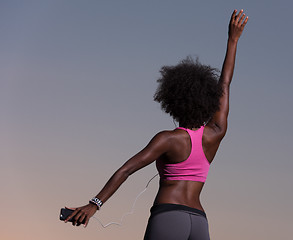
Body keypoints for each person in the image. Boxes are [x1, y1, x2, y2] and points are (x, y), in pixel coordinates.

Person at [65, 9, 248, 240]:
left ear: (174, 101)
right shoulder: (215, 133)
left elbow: (126, 170)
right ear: (208, 101)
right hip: (199, 222)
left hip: (169, 216)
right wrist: (233, 40)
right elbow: (225, 83)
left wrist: (94, 204)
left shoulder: (168, 139)